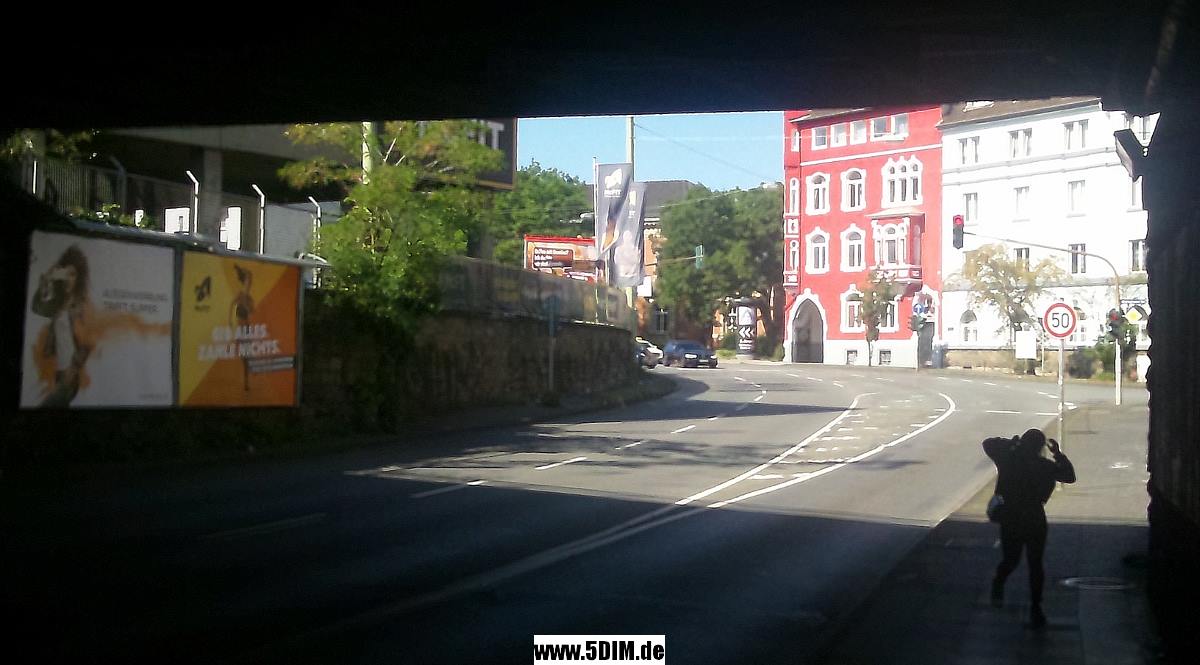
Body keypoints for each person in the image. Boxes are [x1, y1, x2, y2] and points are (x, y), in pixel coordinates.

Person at [983, 429, 1076, 628]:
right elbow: (1069, 476)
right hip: (1035, 516)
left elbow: (988, 443)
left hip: (1011, 516)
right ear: (1041, 447)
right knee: (1036, 563)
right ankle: (1036, 607)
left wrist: (1012, 443)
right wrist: (1058, 453)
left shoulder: (1008, 461)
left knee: (1011, 559)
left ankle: (999, 582)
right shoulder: (1046, 466)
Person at [30, 245, 93, 407]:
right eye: (66, 273)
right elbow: (38, 308)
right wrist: (46, 282)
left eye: (72, 274)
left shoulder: (81, 306)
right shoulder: (59, 303)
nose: (68, 279)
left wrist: (73, 369)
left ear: (79, 277)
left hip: (69, 377)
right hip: (58, 372)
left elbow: (88, 341)